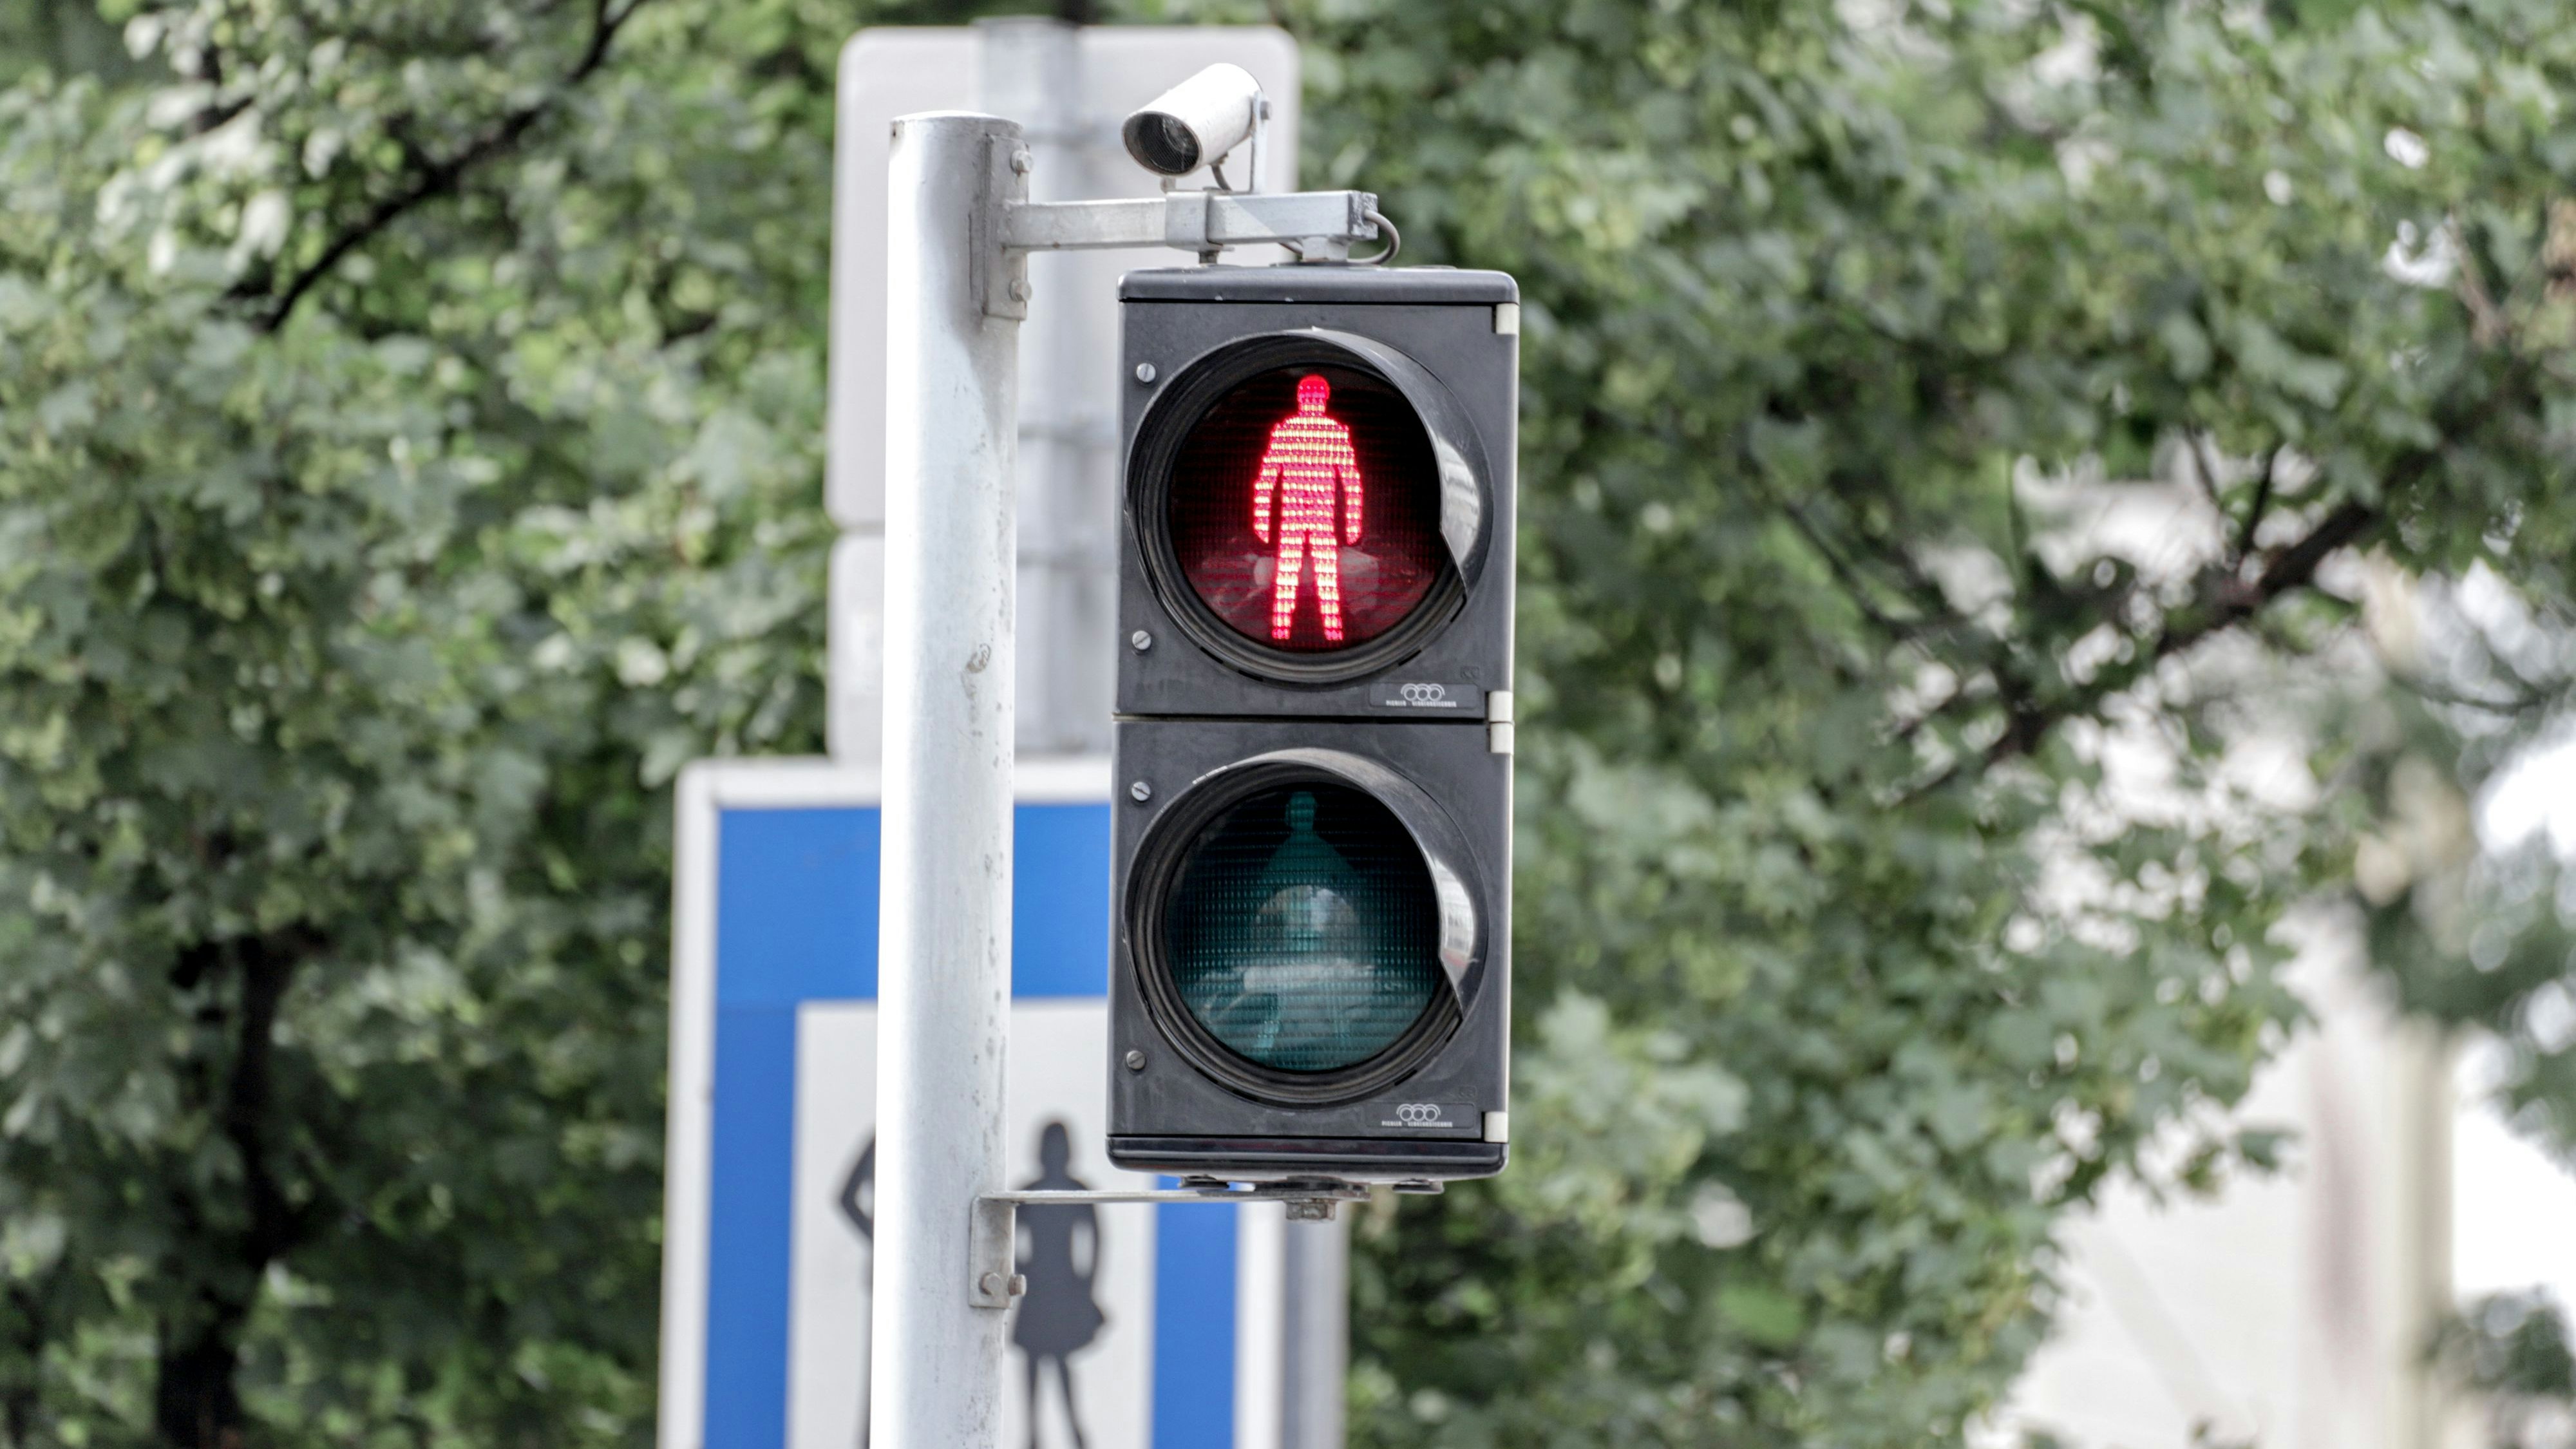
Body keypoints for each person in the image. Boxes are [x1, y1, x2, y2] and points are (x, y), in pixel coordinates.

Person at [1251, 373, 1366, 643]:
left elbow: (1267, 479)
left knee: (1297, 577)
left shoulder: (1290, 431)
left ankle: (1288, 632)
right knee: (1315, 578)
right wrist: (1353, 524)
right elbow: (1351, 482)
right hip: (1315, 516)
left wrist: (1262, 520)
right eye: (1310, 397)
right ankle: (1321, 632)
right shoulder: (1329, 432)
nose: (1312, 402)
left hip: (1303, 517)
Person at [1013, 1121, 1104, 1449]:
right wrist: (1021, 1268)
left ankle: (1073, 1433)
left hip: (1063, 1286)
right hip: (1039, 1285)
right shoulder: (1030, 1191)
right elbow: (1006, 1236)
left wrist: (1087, 1286)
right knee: (1034, 1360)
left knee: (1059, 1359)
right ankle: (1033, 1435)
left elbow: (1096, 1242)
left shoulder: (1076, 1191)